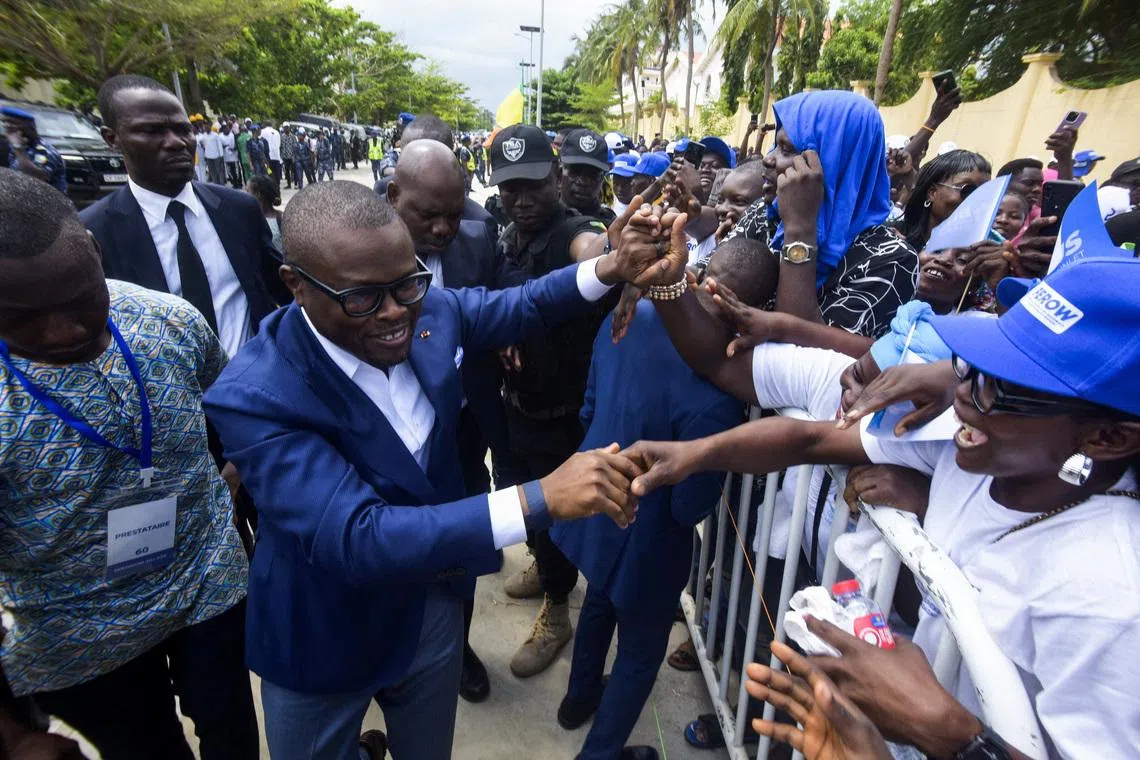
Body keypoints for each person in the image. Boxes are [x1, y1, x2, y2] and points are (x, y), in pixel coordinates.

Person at [202, 179, 661, 760]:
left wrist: (612, 266)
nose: (396, 313)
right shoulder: (253, 393)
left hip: (432, 612)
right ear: (295, 284)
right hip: (324, 630)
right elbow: (358, 535)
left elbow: (521, 305)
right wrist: (538, 498)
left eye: (407, 284)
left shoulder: (430, 309)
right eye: (364, 297)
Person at [625, 255, 1140, 760]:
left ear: (1107, 437)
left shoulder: (1109, 598)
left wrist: (955, 738)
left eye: (1000, 388)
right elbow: (810, 442)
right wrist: (695, 455)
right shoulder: (966, 444)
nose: (961, 396)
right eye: (969, 367)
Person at [0, 167, 258, 758]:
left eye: (81, 300)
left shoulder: (170, 320)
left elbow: (236, 410)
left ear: (93, 252)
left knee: (233, 734)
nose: (63, 330)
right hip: (77, 635)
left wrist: (235, 474)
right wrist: (11, 732)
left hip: (205, 583)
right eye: (21, 317)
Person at [551, 240, 758, 760]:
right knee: (640, 655)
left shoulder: (632, 314)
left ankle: (577, 701)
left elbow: (589, 404)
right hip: (651, 542)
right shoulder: (721, 389)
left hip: (595, 502)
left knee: (598, 598)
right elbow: (690, 507)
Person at [386, 141, 523, 702]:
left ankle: (456, 648)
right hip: (388, 439)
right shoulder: (358, 250)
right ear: (394, 197)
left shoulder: (477, 237)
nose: (444, 228)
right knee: (393, 549)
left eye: (455, 212)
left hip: (464, 428)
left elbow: (501, 297)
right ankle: (392, 654)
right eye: (428, 215)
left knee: (460, 546)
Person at [486, 124, 615, 679]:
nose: (522, 200)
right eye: (510, 189)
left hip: (564, 416)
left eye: (533, 186)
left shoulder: (575, 228)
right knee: (521, 504)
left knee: (555, 511)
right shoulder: (506, 233)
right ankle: (543, 567)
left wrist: (613, 250)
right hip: (517, 404)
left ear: (557, 179)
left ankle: (558, 609)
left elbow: (593, 249)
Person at [82, 75, 291, 362]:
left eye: (184, 130)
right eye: (152, 131)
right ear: (112, 138)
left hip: (256, 384)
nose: (176, 142)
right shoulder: (94, 232)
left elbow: (284, 287)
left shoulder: (239, 209)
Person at [710, 90, 918, 341]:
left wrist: (800, 229)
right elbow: (709, 287)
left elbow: (802, 358)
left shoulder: (892, 259)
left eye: (787, 149)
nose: (768, 159)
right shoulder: (764, 215)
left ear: (834, 160)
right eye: (775, 145)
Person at [1, 106, 67, 194]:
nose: (7, 126)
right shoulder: (16, 147)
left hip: (49, 203)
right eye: (4, 122)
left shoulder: (45, 150)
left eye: (13, 123)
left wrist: (18, 148)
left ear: (29, 126)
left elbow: (37, 177)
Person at [559, 128, 616, 225]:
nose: (583, 182)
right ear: (559, 172)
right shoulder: (541, 219)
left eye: (592, 174)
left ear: (602, 178)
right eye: (575, 171)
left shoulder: (612, 225)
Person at [246, 173, 283, 252]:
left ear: (257, 194)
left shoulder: (281, 219)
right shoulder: (249, 218)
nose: (245, 194)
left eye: (247, 191)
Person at [260, 119, 282, 185]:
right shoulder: (277, 132)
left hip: (268, 158)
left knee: (269, 173)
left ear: (264, 125)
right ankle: (277, 189)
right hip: (276, 157)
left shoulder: (262, 132)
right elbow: (279, 144)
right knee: (276, 175)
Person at [220, 123, 240, 188]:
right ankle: (233, 183)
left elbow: (236, 143)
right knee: (229, 171)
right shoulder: (220, 136)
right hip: (226, 157)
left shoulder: (232, 134)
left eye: (228, 128)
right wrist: (224, 146)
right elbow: (219, 146)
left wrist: (234, 148)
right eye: (225, 128)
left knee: (236, 171)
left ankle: (238, 183)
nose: (227, 129)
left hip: (234, 157)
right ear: (223, 130)